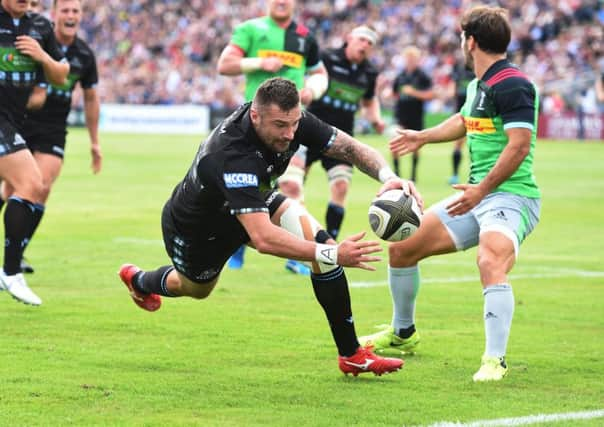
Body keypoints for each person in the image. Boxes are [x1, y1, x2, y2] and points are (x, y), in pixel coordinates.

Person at [118, 77, 421, 376]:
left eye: (293, 123)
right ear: (255, 115)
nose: (290, 134)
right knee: (195, 289)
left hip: (254, 198)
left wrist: (388, 177)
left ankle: (351, 355)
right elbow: (262, 238)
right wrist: (335, 255)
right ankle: (140, 280)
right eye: (280, 126)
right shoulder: (231, 154)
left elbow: (350, 148)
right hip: (199, 228)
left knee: (322, 247)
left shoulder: (291, 119)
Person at [359, 6, 541, 382]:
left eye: (462, 36)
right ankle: (403, 332)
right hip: (475, 195)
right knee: (403, 247)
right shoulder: (480, 83)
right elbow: (463, 121)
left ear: (470, 41)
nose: (461, 43)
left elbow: (519, 146)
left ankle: (494, 360)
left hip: (510, 196)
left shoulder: (513, 83)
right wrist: (422, 136)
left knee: (489, 261)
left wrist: (482, 191)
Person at [217, 0, 329, 275]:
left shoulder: (305, 36)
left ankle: (297, 254)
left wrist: (312, 91)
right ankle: (238, 243)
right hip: (252, 129)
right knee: (250, 190)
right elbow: (225, 64)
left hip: (291, 126)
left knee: (291, 187)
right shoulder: (251, 29)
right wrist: (258, 62)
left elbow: (320, 73)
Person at [1, 0, 102, 274]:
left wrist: (95, 142)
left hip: (53, 128)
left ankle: (15, 255)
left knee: (40, 186)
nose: (70, 16)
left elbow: (92, 99)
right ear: (54, 14)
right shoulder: (34, 35)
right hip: (20, 120)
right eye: (65, 11)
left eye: (75, 11)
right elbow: (36, 95)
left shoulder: (84, 54)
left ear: (81, 16)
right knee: (13, 188)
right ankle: (12, 258)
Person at [0, 0, 69, 306]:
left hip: (14, 120)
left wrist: (41, 56)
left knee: (25, 187)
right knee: (31, 184)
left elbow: (60, 75)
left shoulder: (40, 26)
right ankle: (10, 271)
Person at [305, 25, 385, 242]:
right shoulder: (327, 58)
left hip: (341, 139)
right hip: (310, 132)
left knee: (341, 187)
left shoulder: (369, 71)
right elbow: (309, 78)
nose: (365, 45)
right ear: (348, 38)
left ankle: (329, 245)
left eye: (370, 43)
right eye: (362, 40)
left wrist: (376, 119)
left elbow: (369, 101)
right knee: (291, 186)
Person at [390, 46, 434, 182]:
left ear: (417, 60)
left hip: (416, 115)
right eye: (408, 58)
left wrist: (414, 93)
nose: (410, 61)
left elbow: (431, 95)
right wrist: (388, 94)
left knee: (416, 146)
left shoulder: (423, 76)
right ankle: (396, 174)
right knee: (395, 143)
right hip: (400, 114)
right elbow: (394, 93)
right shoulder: (400, 76)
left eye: (413, 58)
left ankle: (413, 175)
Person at [447, 55, 474, 185]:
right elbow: (452, 89)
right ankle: (455, 174)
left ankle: (475, 176)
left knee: (475, 145)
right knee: (458, 144)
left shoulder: (478, 69)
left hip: (476, 112)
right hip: (460, 112)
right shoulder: (458, 69)